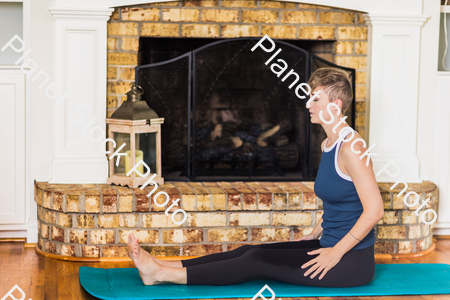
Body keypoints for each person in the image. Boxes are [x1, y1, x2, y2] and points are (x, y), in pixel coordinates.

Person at [127, 67, 384, 287]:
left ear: (336, 105)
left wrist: (335, 253)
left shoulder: (353, 147)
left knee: (256, 262)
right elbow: (340, 203)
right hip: (327, 245)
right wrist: (314, 233)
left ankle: (161, 274)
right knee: (250, 250)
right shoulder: (328, 143)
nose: (307, 104)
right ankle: (164, 264)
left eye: (315, 99)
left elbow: (374, 211)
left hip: (351, 260)